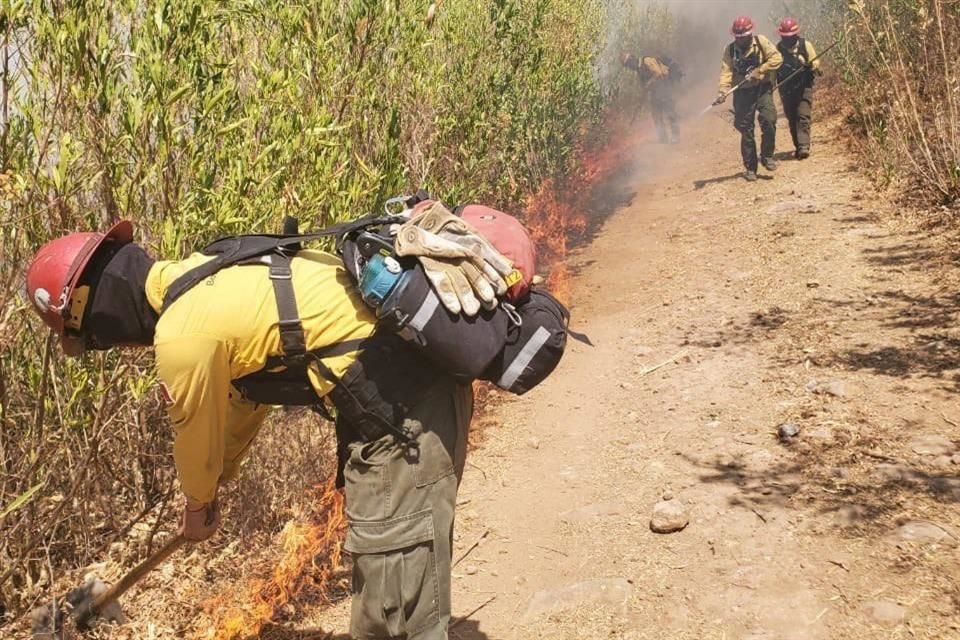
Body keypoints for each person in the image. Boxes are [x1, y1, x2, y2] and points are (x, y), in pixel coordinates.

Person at [24, 214, 493, 640]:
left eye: (96, 339)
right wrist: (217, 482)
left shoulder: (182, 331)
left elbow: (195, 433)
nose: (118, 347)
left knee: (394, 611)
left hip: (405, 414)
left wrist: (198, 502)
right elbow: (246, 396)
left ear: (98, 312)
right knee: (401, 574)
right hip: (403, 404)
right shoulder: (206, 273)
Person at [715, 16, 783, 182]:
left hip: (762, 89)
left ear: (750, 33)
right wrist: (723, 91)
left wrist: (760, 70)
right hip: (743, 93)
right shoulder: (730, 50)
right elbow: (726, 72)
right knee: (746, 129)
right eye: (738, 37)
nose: (741, 40)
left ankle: (767, 156)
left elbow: (777, 59)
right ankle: (750, 168)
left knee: (769, 119)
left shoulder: (761, 42)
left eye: (744, 36)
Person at [776, 17, 821, 160]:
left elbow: (816, 62)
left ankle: (803, 146)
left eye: (790, 36)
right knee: (792, 117)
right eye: (785, 36)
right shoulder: (777, 50)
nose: (788, 39)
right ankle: (798, 145)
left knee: (803, 115)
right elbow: (773, 69)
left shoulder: (805, 45)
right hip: (786, 89)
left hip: (803, 86)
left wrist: (810, 65)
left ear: (796, 34)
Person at [622, 52, 682, 143]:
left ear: (632, 60)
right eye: (627, 65)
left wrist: (649, 83)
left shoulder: (646, 60)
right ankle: (663, 137)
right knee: (656, 115)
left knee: (670, 112)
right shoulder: (638, 69)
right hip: (654, 93)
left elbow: (658, 73)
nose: (629, 67)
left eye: (628, 64)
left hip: (663, 89)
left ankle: (675, 135)